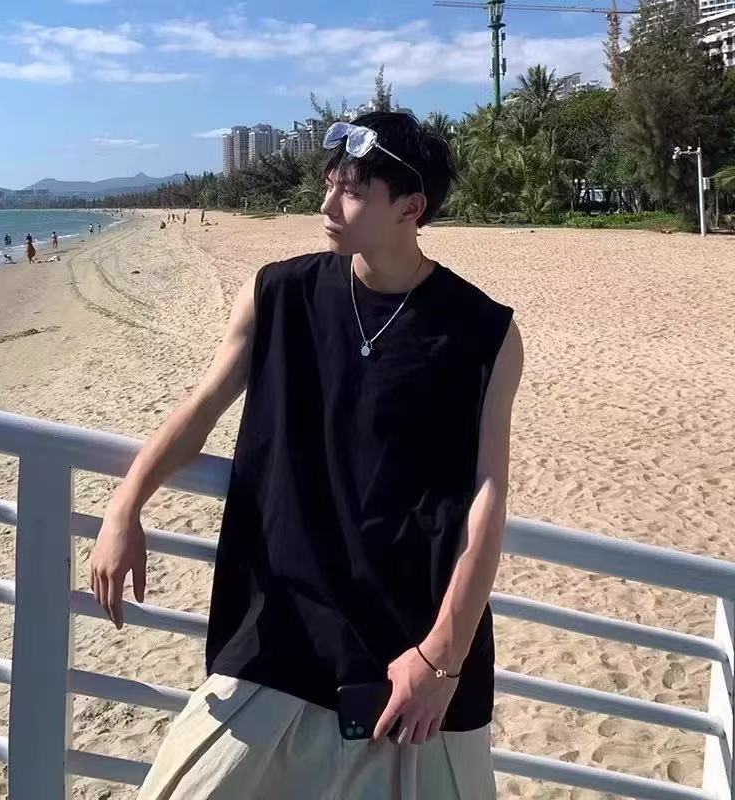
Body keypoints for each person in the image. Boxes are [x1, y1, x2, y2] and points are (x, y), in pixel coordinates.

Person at [90, 112, 523, 800]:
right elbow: (200, 409)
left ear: (411, 207)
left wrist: (443, 656)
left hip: (411, 666)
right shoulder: (278, 293)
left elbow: (488, 494)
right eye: (329, 185)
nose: (327, 205)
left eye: (351, 192)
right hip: (277, 633)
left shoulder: (483, 332)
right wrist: (125, 508)